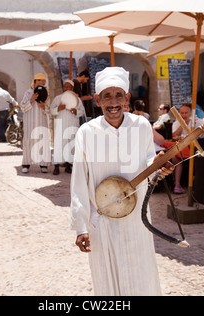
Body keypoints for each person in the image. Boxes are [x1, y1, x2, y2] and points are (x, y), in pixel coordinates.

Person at [70, 67, 174, 296]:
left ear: (127, 98)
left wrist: (158, 166)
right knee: (106, 277)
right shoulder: (87, 132)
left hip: (136, 219)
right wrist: (80, 226)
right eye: (107, 96)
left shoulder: (141, 126)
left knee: (140, 275)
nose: (113, 102)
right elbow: (79, 180)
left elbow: (148, 160)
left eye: (118, 95)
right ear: (97, 100)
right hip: (102, 219)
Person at [50, 80, 85, 175]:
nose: (67, 88)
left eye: (69, 87)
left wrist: (75, 111)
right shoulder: (58, 98)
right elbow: (51, 110)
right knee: (59, 144)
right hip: (60, 125)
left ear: (72, 88)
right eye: (65, 87)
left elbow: (81, 111)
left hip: (72, 124)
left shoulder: (77, 99)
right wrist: (58, 109)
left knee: (70, 143)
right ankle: (56, 166)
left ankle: (68, 165)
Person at [20, 73, 51, 173]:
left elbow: (50, 109)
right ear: (35, 81)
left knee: (42, 141)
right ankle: (26, 164)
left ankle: (43, 164)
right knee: (29, 141)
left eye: (44, 81)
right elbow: (22, 107)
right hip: (30, 122)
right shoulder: (28, 93)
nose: (43, 82)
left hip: (41, 121)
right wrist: (31, 100)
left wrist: (44, 107)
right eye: (41, 81)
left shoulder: (46, 93)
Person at [171, 103, 204, 194]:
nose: (184, 115)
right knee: (175, 157)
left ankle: (196, 186)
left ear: (191, 113)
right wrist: (183, 124)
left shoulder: (197, 121)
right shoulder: (176, 123)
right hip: (183, 149)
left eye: (186, 113)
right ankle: (177, 185)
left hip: (195, 149)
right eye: (181, 113)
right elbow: (174, 136)